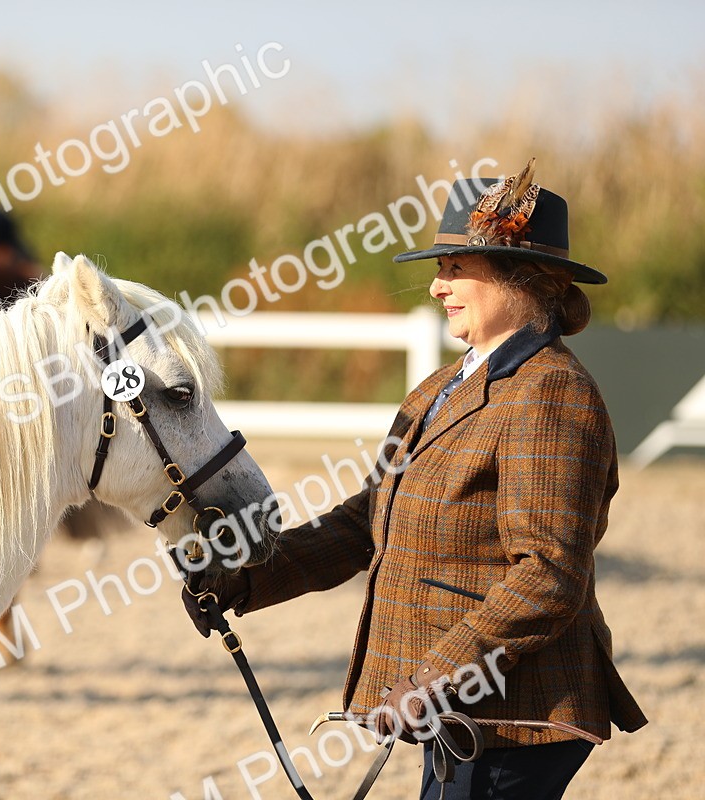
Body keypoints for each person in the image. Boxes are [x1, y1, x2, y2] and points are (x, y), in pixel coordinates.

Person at [182, 160, 646, 799]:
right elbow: (366, 521)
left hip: (512, 719)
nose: (437, 287)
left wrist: (437, 676)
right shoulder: (442, 387)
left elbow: (548, 573)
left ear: (523, 278)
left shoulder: (552, 394)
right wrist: (248, 576)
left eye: (456, 268)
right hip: (463, 715)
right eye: (439, 269)